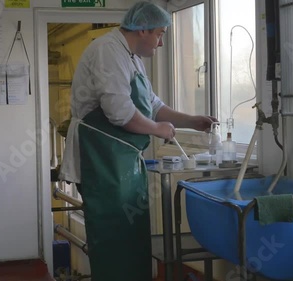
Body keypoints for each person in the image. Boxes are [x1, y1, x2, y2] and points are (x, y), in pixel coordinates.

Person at [59, 2, 217, 280]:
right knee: (112, 236)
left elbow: (153, 105)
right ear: (142, 29)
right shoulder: (107, 51)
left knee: (131, 234)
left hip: (123, 160)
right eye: (159, 34)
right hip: (101, 158)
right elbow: (119, 113)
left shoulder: (132, 58)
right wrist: (157, 129)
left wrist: (191, 120)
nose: (161, 42)